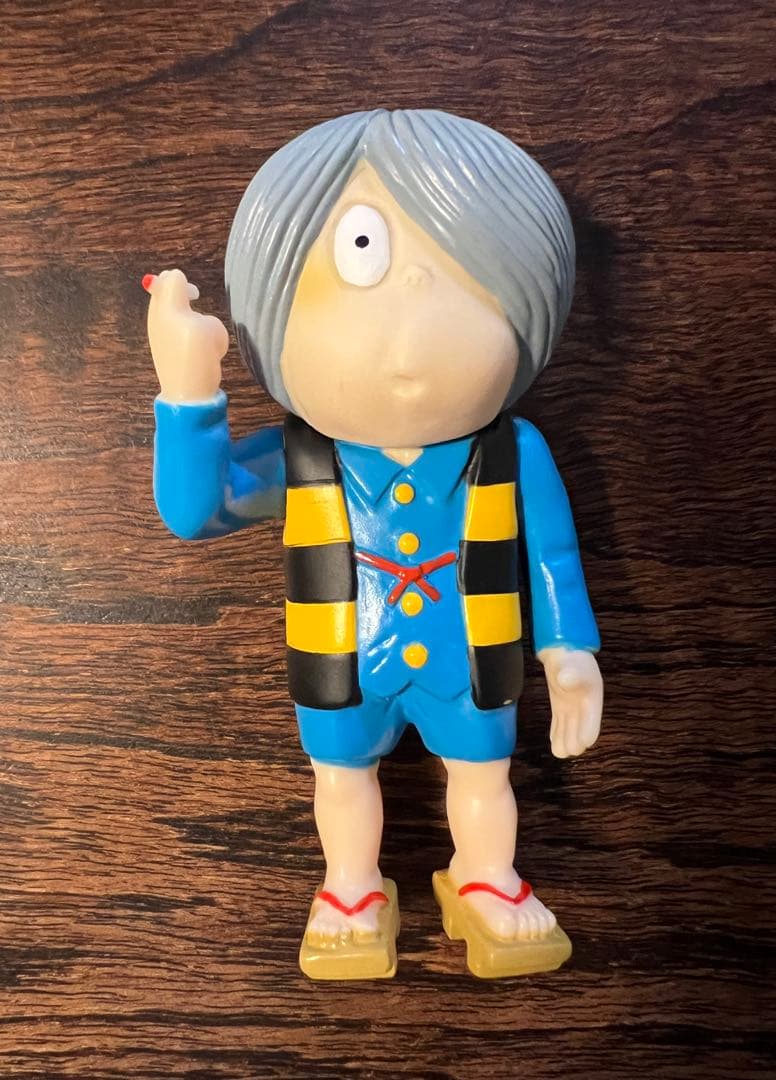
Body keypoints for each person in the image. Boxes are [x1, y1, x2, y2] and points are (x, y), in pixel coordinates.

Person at [146, 108, 603, 980]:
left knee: (484, 776)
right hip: (342, 661)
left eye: (464, 275)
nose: (409, 327)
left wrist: (568, 650)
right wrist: (189, 388)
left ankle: (486, 878)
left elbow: (553, 558)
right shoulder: (303, 457)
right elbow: (198, 510)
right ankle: (351, 889)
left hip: (473, 657)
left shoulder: (511, 451)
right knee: (341, 778)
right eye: (363, 258)